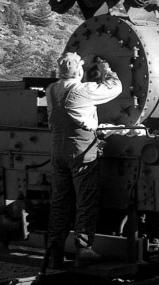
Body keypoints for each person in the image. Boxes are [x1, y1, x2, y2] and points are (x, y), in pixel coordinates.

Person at [45, 52, 122, 266]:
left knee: (60, 202)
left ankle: (54, 251)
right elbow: (115, 87)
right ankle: (83, 248)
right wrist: (106, 71)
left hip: (57, 148)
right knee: (85, 200)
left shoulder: (51, 90)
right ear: (79, 71)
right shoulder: (82, 90)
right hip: (81, 149)